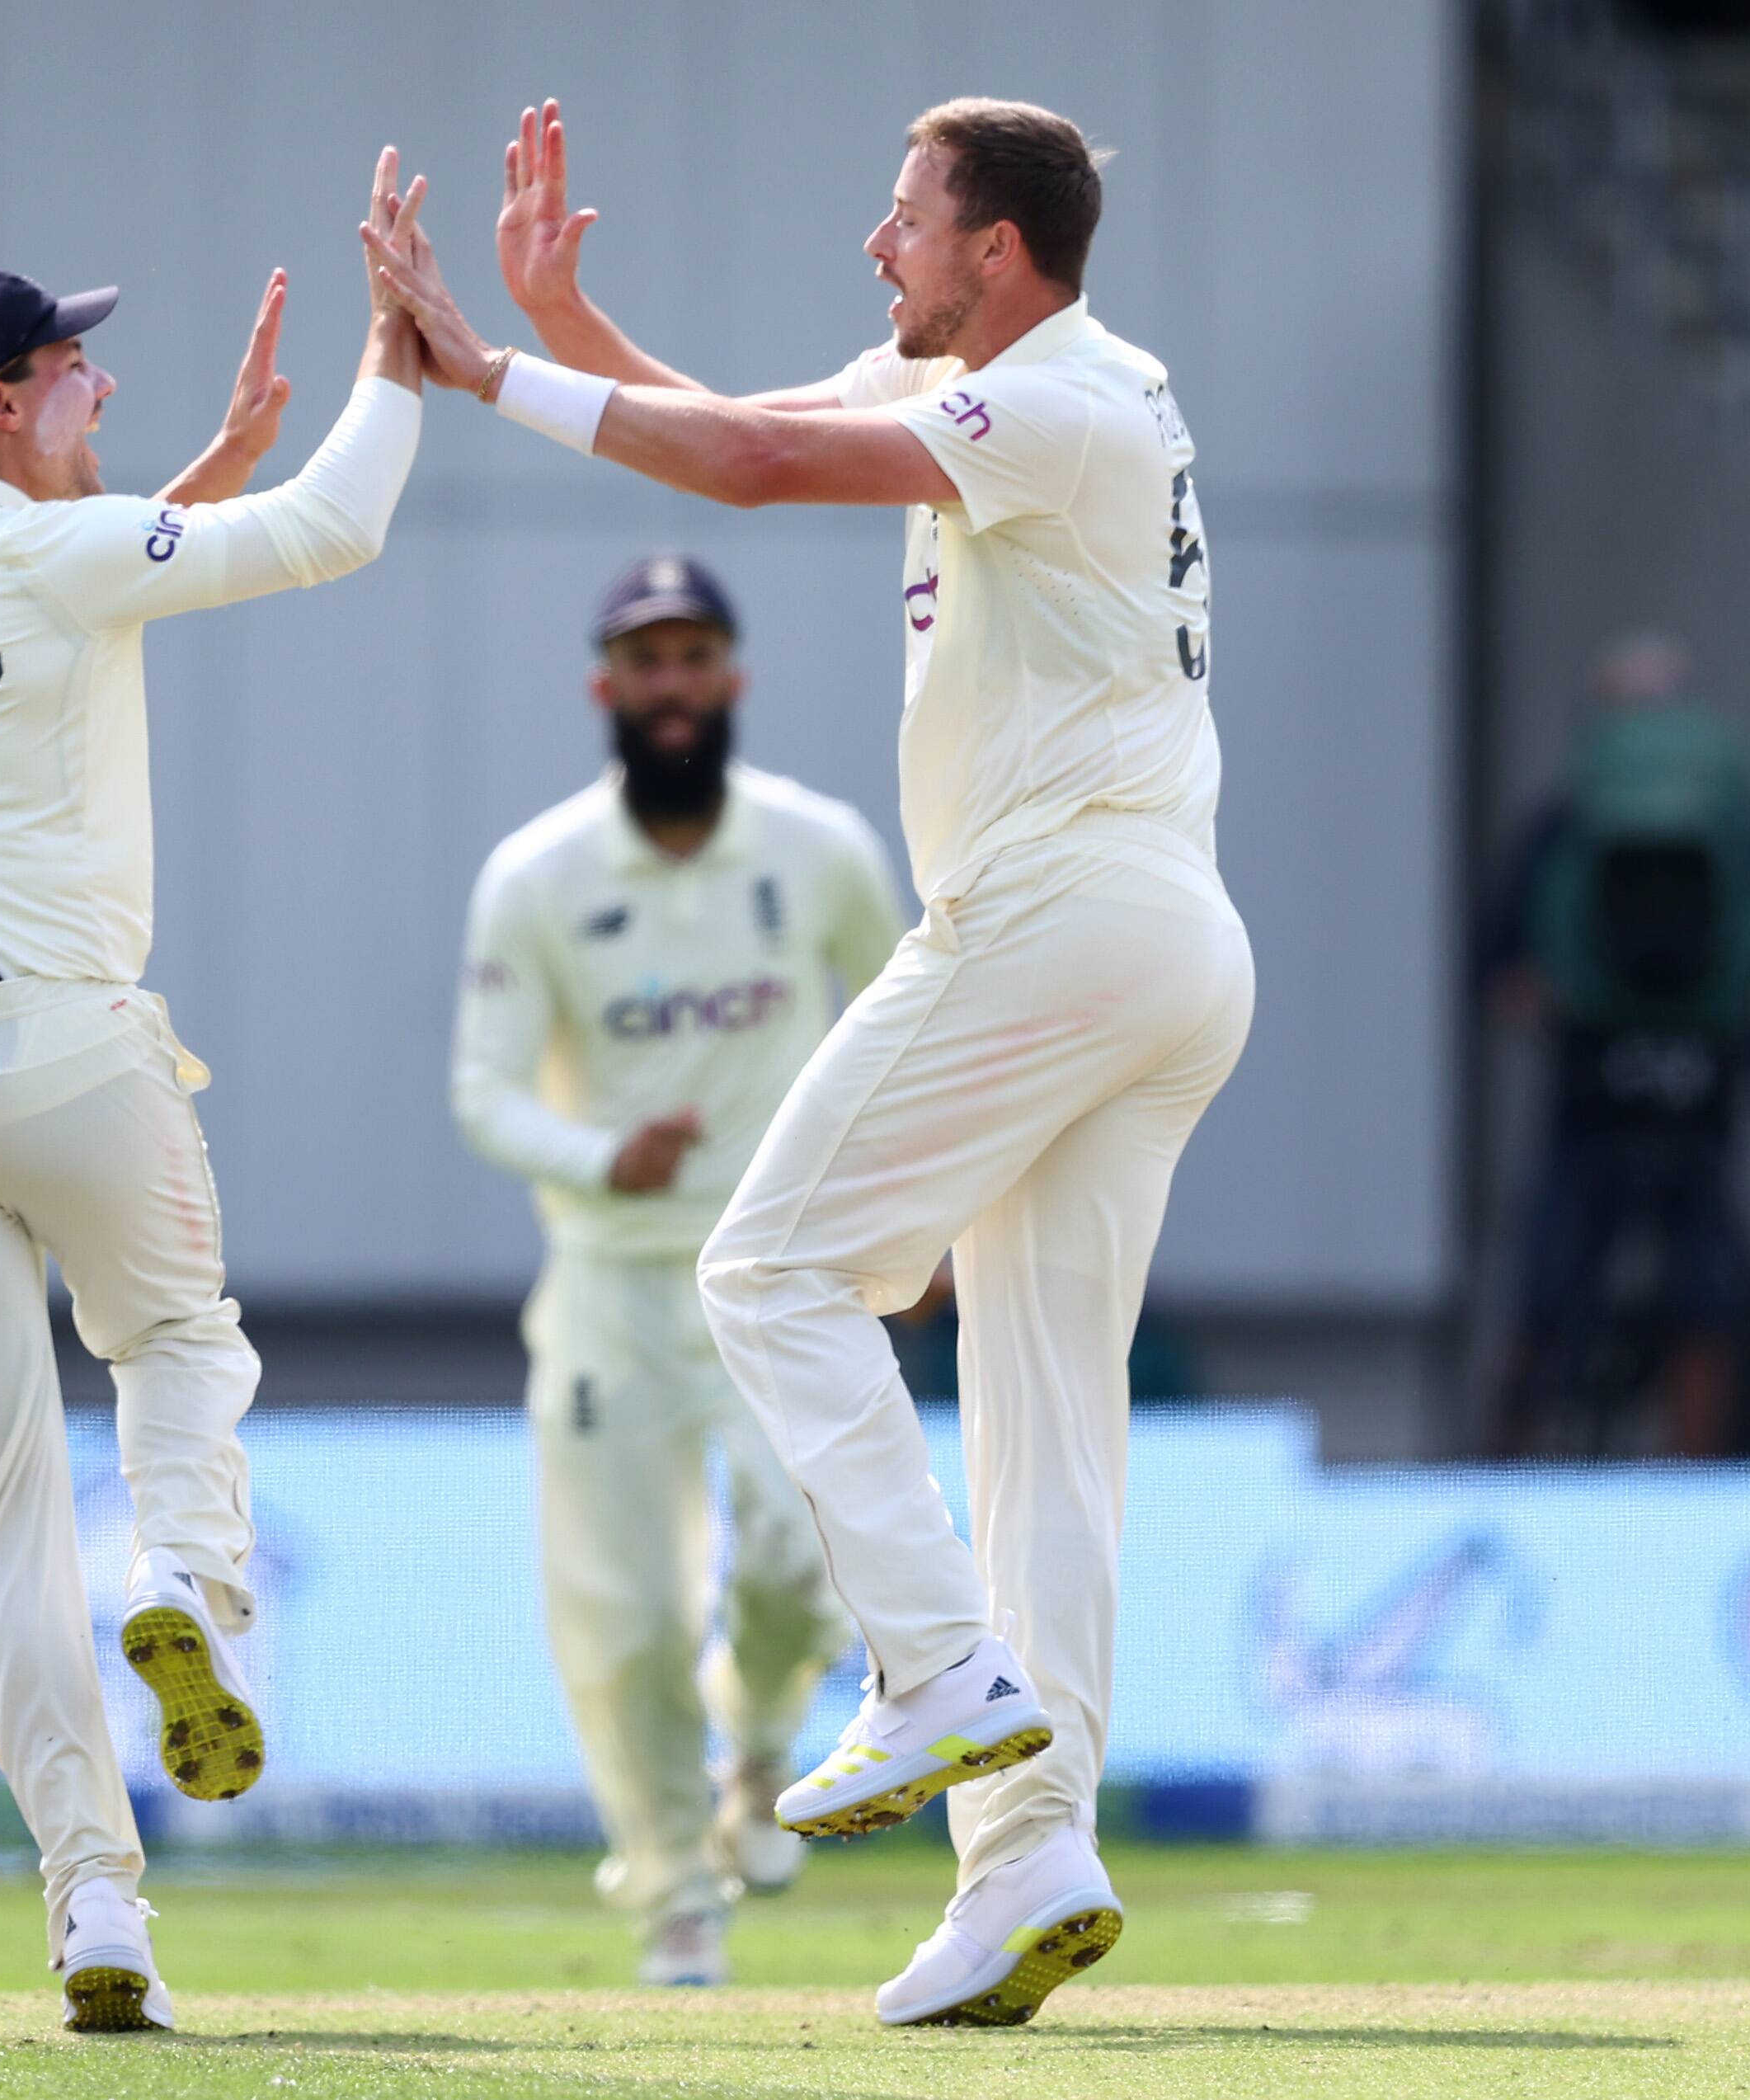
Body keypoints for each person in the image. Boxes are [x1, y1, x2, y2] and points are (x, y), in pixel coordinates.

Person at [366, 97, 1251, 2027]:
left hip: (1064, 918)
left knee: (760, 1268)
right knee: (1041, 1438)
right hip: (1160, 936)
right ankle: (1031, 1865)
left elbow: (760, 470)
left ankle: (934, 1673)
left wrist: (486, 366)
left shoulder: (1061, 406)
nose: (879, 244)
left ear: (994, 251)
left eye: (907, 218)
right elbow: (735, 431)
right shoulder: (1032, 382)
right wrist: (563, 319)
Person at [0, 158, 426, 2032]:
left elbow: (45, 589)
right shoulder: (38, 544)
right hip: (59, 1052)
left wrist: (189, 473)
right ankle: (193, 1588)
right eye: (68, 367)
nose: (97, 385)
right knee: (173, 1338)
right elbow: (334, 534)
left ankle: (94, 1907)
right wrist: (406, 356)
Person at [452, 554, 901, 1989]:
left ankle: (759, 1745)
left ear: (731, 678)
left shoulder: (817, 850)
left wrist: (916, 1221)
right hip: (609, 1281)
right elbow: (482, 1090)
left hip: (777, 1277)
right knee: (626, 1610)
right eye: (644, 660)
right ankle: (670, 1897)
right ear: (605, 686)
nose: (669, 684)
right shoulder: (537, 875)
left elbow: (905, 1032)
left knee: (797, 1563)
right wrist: (596, 1156)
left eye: (692, 654)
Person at [1479, 634, 1750, 1457]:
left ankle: (1685, 1470)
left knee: (1697, 1294)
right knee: (1558, 1291)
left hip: (1663, 1097)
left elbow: (1495, 962)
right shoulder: (1569, 825)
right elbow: (1498, 960)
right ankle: (1518, 1457)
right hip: (1609, 1095)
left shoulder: (1584, 823)